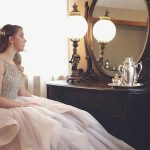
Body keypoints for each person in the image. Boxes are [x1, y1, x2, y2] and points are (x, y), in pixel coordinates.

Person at [0, 24, 134, 150]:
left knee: (69, 115)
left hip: (19, 102)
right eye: (22, 36)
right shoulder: (1, 62)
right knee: (49, 126)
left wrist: (40, 104)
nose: (25, 40)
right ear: (11, 39)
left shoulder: (15, 63)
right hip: (7, 109)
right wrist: (23, 106)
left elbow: (23, 93)